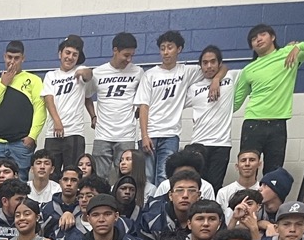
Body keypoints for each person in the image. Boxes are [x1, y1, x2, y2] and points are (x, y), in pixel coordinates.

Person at [233, 25, 304, 172]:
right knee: (247, 171)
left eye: (262, 35)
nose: (258, 39)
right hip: (252, 124)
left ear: (273, 37)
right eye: (253, 39)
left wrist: (299, 47)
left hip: (278, 126)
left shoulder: (289, 53)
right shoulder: (248, 70)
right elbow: (235, 104)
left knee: (274, 174)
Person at [138, 31, 210, 186]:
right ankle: (149, 209)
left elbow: (218, 68)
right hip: (149, 134)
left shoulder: (187, 71)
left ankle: (162, 208)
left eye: (169, 47)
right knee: (147, 178)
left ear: (179, 49)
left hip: (171, 134)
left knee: (165, 177)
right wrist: (144, 135)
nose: (165, 52)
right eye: (162, 48)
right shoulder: (149, 74)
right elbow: (143, 106)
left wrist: (217, 80)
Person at [0, 41, 46, 179]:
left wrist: (32, 136)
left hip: (21, 144)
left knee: (20, 183)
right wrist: (3, 84)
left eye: (16, 58)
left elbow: (40, 109)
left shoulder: (34, 80)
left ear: (23, 58)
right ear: (4, 56)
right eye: (9, 57)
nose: (12, 62)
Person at [42, 35, 97, 179]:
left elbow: (89, 75)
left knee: (73, 174)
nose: (70, 57)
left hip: (74, 133)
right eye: (67, 53)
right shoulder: (50, 75)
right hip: (53, 133)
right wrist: (57, 122)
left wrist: (82, 72)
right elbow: (49, 99)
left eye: (75, 54)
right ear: (60, 53)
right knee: (52, 174)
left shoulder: (81, 70)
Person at [90, 33, 143, 182]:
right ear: (115, 50)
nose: (129, 60)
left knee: (127, 178)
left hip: (126, 133)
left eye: (132, 56)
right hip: (102, 133)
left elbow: (145, 98)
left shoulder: (138, 72)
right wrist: (93, 116)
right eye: (126, 55)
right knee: (98, 178)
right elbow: (87, 96)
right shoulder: (98, 72)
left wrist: (138, 110)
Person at [187, 46, 237, 192]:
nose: (209, 66)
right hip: (198, 143)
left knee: (215, 186)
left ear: (219, 63)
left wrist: (216, 80)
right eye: (205, 62)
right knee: (197, 186)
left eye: (213, 62)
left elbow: (227, 69)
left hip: (221, 144)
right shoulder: (193, 88)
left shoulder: (231, 78)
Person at [217, 148, 263, 218]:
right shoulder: (223, 192)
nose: (247, 164)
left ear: (259, 165)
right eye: (243, 160)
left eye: (252, 160)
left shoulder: (264, 191)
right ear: (237, 166)